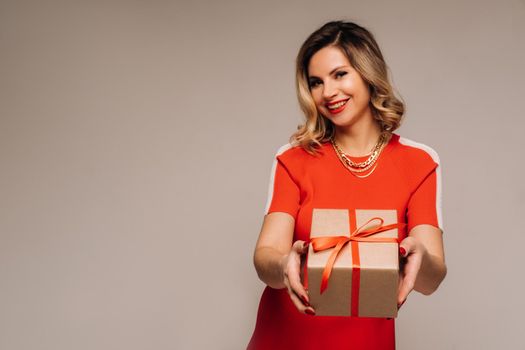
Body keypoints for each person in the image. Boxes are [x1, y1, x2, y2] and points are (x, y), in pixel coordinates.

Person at [247, 20, 447, 349]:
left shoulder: (419, 162)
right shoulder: (294, 158)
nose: (327, 93)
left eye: (340, 74)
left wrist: (420, 256)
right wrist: (284, 264)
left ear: (368, 74)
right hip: (284, 340)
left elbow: (431, 279)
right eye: (316, 82)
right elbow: (266, 256)